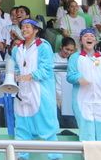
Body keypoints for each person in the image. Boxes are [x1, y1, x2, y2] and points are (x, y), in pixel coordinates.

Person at [12, 19, 61, 159]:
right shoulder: (16, 49)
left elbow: (47, 69)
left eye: (27, 27)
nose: (24, 29)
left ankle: (55, 157)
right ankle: (21, 156)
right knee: (22, 127)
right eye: (22, 27)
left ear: (36, 30)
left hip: (40, 92)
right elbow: (15, 67)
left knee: (47, 126)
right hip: (23, 93)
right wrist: (16, 75)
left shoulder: (43, 46)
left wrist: (30, 76)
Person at [66, 29, 101, 141]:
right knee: (86, 127)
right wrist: (79, 79)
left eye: (91, 36)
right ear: (80, 41)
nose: (89, 38)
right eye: (85, 36)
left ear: (95, 40)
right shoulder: (75, 57)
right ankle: (88, 150)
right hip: (83, 97)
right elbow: (70, 75)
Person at [54, 37, 77, 129]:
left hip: (68, 98)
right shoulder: (53, 58)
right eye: (67, 49)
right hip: (55, 97)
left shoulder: (72, 60)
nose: (69, 52)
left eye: (71, 50)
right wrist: (57, 97)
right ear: (61, 46)